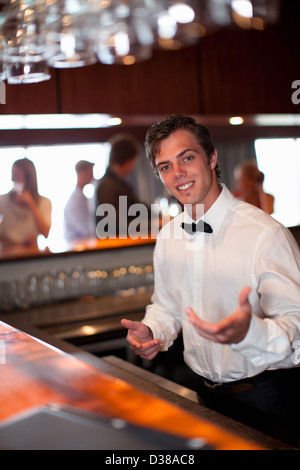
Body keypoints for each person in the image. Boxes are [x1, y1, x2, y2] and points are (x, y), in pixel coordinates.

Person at [121, 114, 300, 444]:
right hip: (202, 396)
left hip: (265, 397)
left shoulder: (266, 235)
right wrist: (153, 331)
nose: (178, 174)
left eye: (187, 158)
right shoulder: (169, 236)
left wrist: (252, 332)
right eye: (165, 166)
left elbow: (297, 326)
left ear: (212, 158)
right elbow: (167, 307)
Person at [95, 133, 150, 238]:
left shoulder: (120, 183)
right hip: (114, 248)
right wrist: (154, 225)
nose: (133, 165)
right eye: (132, 161)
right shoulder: (106, 186)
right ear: (126, 159)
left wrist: (159, 218)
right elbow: (116, 225)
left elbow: (139, 207)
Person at [0, 158, 52, 247]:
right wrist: (13, 242)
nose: (12, 179)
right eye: (12, 174)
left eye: (16, 175)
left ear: (29, 178)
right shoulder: (2, 201)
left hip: (31, 254)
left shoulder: (44, 202)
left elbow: (46, 233)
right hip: (8, 253)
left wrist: (32, 205)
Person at [64, 160, 95, 241]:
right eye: (91, 172)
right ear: (82, 173)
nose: (93, 176)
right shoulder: (75, 201)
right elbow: (87, 231)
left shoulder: (83, 198)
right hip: (75, 247)